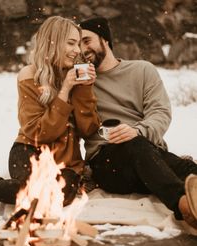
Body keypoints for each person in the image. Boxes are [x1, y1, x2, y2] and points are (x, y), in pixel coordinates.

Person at [0, 16, 100, 206]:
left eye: (78, 44)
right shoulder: (29, 76)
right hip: (29, 149)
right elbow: (39, 134)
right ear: (53, 42)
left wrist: (85, 87)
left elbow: (89, 129)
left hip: (67, 161)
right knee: (30, 190)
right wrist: (65, 90)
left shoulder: (77, 75)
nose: (77, 50)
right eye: (71, 43)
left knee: (56, 196)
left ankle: (1, 187)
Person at [79, 16, 197, 228]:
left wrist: (138, 130)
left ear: (104, 39)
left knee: (188, 169)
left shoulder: (142, 70)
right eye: (77, 44)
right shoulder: (81, 83)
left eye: (87, 41)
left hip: (150, 153)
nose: (82, 48)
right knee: (137, 147)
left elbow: (160, 111)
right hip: (108, 163)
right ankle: (184, 207)